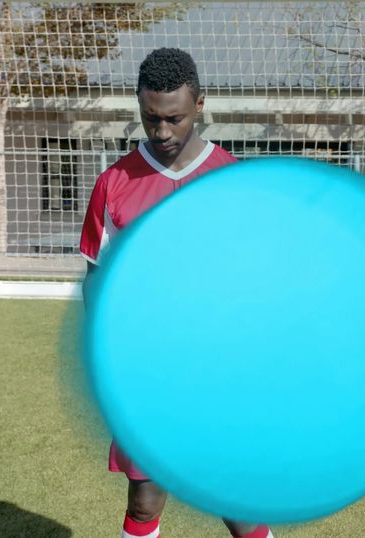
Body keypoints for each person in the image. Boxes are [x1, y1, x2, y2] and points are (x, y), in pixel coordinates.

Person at [79, 47, 273, 538]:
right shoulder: (114, 183)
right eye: (150, 118)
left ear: (200, 104)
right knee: (144, 501)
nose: (162, 132)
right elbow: (96, 277)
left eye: (174, 118)